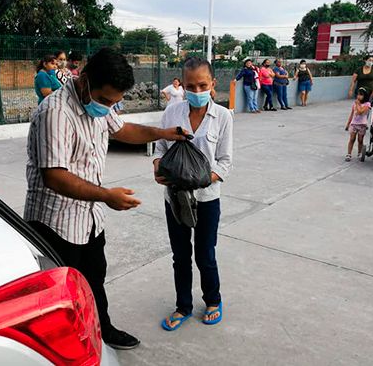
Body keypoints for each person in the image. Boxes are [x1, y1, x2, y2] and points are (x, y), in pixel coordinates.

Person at [23, 47, 188, 350]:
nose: (108, 107)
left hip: (87, 219)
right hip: (54, 222)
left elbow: (123, 129)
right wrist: (106, 196)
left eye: (114, 101)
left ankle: (103, 329)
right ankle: (67, 348)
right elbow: (54, 175)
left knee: (94, 280)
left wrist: (162, 133)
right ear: (84, 81)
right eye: (104, 100)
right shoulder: (55, 112)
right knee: (59, 294)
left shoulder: (100, 102)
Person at [153, 57, 233, 331]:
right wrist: (157, 167)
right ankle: (183, 306)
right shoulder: (172, 112)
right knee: (180, 255)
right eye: (190, 86)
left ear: (213, 84)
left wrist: (199, 179)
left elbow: (225, 161)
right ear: (182, 85)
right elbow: (160, 149)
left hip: (207, 198)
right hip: (174, 198)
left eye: (202, 85)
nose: (196, 91)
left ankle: (213, 300)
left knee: (205, 254)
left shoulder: (222, 116)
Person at [345, 87, 371, 161]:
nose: (359, 96)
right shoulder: (355, 104)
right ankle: (349, 154)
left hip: (362, 125)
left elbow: (360, 112)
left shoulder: (367, 104)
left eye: (361, 95)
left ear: (365, 96)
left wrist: (357, 104)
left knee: (360, 140)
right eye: (358, 95)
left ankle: (359, 153)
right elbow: (352, 114)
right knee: (352, 139)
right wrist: (348, 124)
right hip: (354, 124)